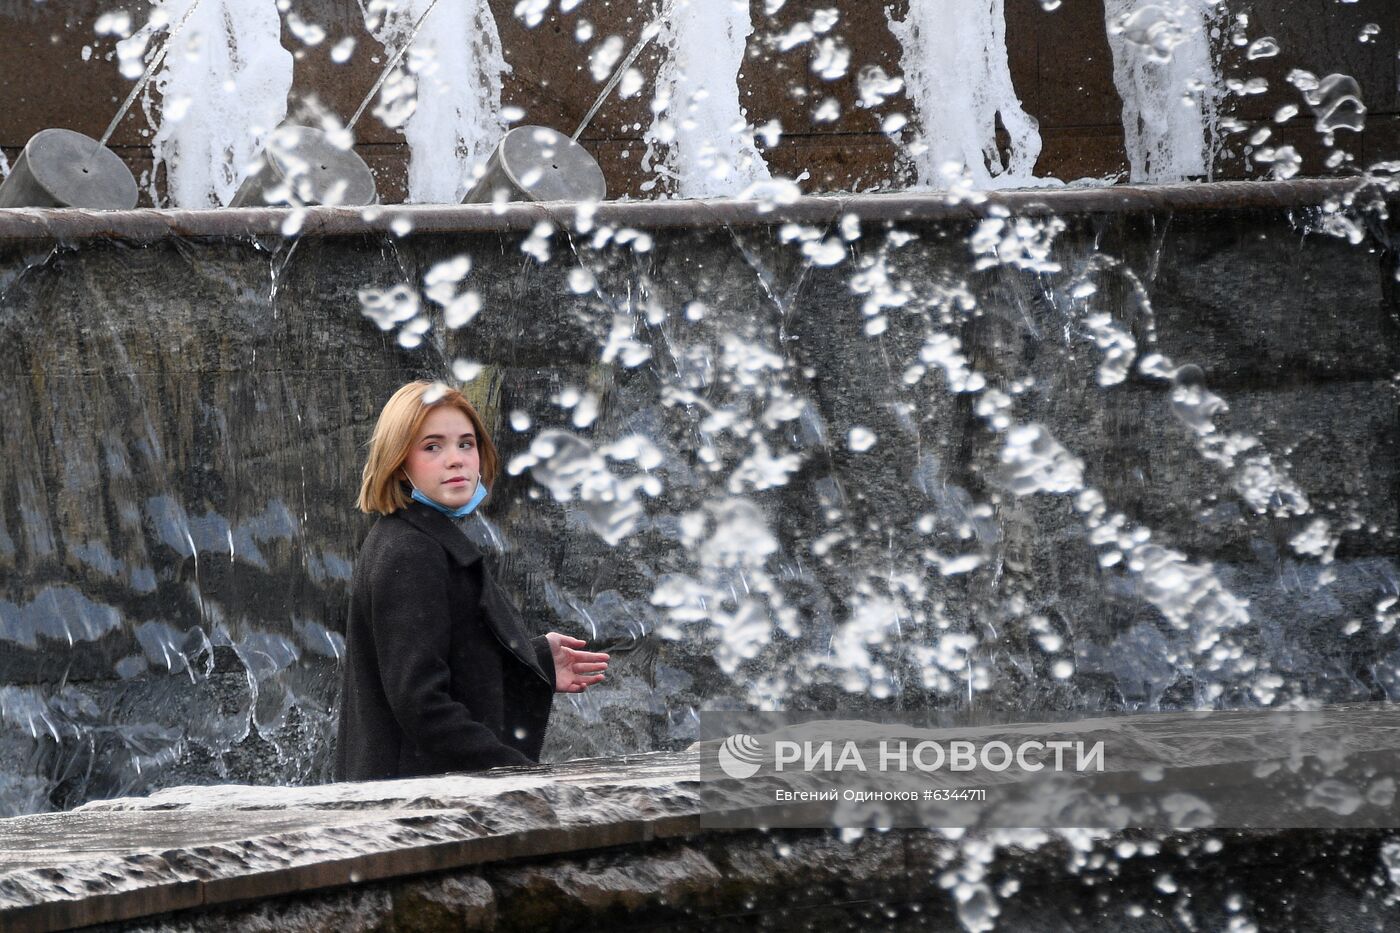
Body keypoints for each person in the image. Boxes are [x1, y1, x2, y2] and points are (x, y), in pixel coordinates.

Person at [335, 380, 609, 781]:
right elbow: (422, 705)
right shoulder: (411, 552)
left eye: (466, 444)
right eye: (432, 447)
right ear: (399, 463)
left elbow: (444, 658)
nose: (456, 459)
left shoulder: (410, 537)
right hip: (411, 811)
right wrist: (520, 776)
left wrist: (533, 661)